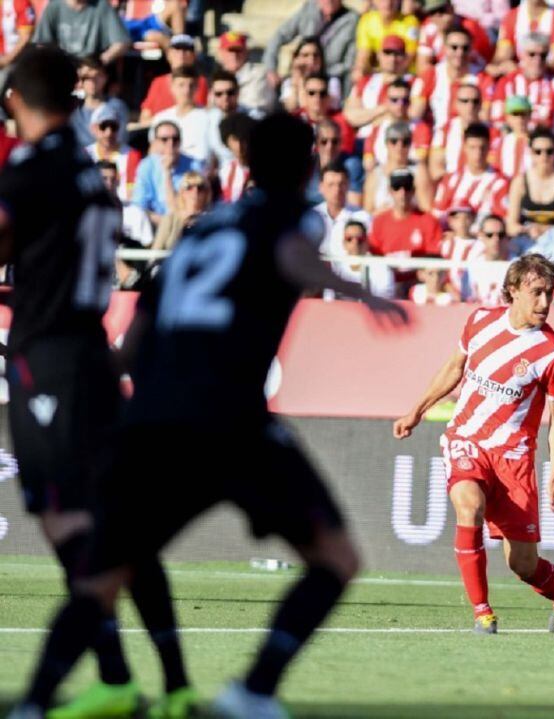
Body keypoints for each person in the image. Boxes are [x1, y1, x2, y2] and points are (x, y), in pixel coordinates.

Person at [11, 112, 409, 719]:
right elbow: (289, 254)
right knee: (335, 557)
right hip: (232, 421)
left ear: (245, 163)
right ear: (307, 168)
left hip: (150, 423)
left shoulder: (199, 231)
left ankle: (33, 704)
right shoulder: (292, 216)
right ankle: (252, 692)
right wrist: (359, 293)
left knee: (100, 580)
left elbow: (136, 340)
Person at [1, 45, 193, 719]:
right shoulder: (92, 176)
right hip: (90, 350)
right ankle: (168, 681)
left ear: (15, 102)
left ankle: (91, 681)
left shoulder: (31, 169)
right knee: (119, 521)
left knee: (70, 525)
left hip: (45, 360)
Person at [393, 253, 554, 635]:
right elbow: (453, 369)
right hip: (467, 440)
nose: (545, 303)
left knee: (523, 565)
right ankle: (482, 611)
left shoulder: (553, 352)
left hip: (514, 459)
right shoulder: (480, 321)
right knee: (468, 506)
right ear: (512, 290)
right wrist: (418, 410)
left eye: (550, 294)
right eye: (537, 293)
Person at [410, 22, 491, 134]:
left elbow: (485, 115)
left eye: (465, 48)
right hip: (435, 137)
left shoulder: (482, 78)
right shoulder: (430, 76)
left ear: (471, 49)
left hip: (469, 136)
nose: (459, 53)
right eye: (454, 47)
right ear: (444, 48)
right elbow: (415, 114)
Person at [490, 32, 554, 130]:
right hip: (513, 137)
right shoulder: (507, 82)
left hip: (546, 139)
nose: (537, 60)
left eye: (543, 55)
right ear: (521, 55)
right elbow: (497, 118)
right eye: (532, 54)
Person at [265, 0, 359, 88]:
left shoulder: (352, 20)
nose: (329, 1)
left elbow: (349, 64)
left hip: (330, 81)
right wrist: (271, 68)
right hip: (300, 76)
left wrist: (319, 70)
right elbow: (280, 35)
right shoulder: (309, 9)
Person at [506, 128, 554, 242]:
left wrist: (544, 230)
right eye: (538, 151)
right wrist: (528, 230)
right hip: (526, 240)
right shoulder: (520, 182)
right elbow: (511, 226)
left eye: (549, 151)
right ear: (530, 153)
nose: (544, 156)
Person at [132, 120, 204, 226]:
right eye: (164, 139)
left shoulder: (194, 165)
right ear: (155, 142)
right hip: (157, 225)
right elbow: (139, 206)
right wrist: (166, 224)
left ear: (180, 141)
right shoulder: (147, 166)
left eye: (175, 139)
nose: (170, 144)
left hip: (189, 224)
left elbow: (199, 203)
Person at [433, 121, 508, 221]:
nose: (478, 154)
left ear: (489, 147)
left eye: (482, 148)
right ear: (464, 147)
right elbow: (438, 214)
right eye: (472, 148)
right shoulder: (451, 180)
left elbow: (500, 220)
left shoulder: (500, 183)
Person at [31, 0, 129, 66]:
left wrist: (99, 63)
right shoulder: (54, 6)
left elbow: (122, 42)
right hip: (62, 67)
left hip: (92, 68)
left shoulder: (101, 6)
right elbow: (42, 43)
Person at [491, 0, 554, 75]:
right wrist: (500, 66)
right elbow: (503, 54)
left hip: (546, 76)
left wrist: (532, 68)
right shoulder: (511, 17)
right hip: (518, 76)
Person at [139, 34, 209, 122]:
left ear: (194, 56)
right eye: (177, 50)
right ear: (168, 55)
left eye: (186, 50)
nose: (181, 54)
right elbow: (145, 117)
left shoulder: (202, 82)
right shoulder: (158, 82)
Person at [153, 66, 213, 164]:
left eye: (191, 85)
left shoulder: (208, 118)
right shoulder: (160, 118)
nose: (186, 91)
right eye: (181, 85)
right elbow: (154, 152)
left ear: (197, 87)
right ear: (172, 87)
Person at [429, 82, 487, 181]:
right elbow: (436, 168)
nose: (470, 106)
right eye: (465, 101)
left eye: (475, 101)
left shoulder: (493, 132)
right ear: (456, 104)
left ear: (481, 104)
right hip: (452, 187)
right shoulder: (445, 130)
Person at [84, 104, 141, 204]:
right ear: (93, 128)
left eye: (113, 127)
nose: (109, 133)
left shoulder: (132, 156)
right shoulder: (85, 155)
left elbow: (132, 195)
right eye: (103, 126)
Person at [315, 158, 372, 257]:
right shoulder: (313, 216)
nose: (337, 190)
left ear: (348, 185)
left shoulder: (363, 217)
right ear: (321, 187)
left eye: (341, 184)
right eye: (331, 185)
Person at [71, 56, 127, 148]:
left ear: (105, 78)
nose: (92, 81)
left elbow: (119, 140)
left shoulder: (117, 107)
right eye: (86, 77)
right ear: (79, 80)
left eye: (97, 76)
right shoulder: (70, 107)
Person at [216, 31, 276, 115]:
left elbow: (256, 107)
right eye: (230, 50)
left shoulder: (259, 75)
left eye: (238, 51)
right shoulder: (216, 78)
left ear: (246, 52)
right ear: (221, 53)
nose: (234, 55)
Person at [149, 171, 211, 251]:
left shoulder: (212, 220)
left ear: (206, 193)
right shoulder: (170, 220)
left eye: (200, 187)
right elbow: (155, 252)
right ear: (182, 192)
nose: (195, 192)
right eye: (189, 187)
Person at [279, 38, 344, 113]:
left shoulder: (332, 81)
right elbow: (290, 108)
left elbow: (331, 106)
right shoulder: (289, 82)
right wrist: (298, 81)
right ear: (296, 58)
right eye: (305, 55)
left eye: (316, 55)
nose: (311, 60)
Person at [356, 0, 420, 73]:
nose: (388, 3)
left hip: (405, 74)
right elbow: (363, 56)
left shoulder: (411, 23)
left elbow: (410, 57)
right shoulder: (366, 20)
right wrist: (360, 71)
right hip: (379, 74)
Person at [218, 112, 254, 203]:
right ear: (227, 142)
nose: (239, 146)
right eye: (234, 140)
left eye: (243, 139)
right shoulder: (225, 171)